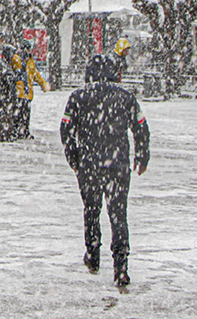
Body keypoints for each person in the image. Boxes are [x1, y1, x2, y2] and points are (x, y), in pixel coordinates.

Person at [61, 53, 150, 287]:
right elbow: (141, 128)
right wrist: (141, 155)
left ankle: (92, 253)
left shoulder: (78, 97)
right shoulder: (126, 97)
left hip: (89, 163)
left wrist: (74, 157)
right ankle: (121, 264)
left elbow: (66, 128)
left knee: (91, 209)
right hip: (117, 163)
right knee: (118, 213)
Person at [4, 37, 49, 140]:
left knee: (26, 114)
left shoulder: (30, 60)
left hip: (27, 92)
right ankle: (16, 131)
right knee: (17, 113)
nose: (28, 51)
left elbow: (35, 74)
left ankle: (24, 130)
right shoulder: (16, 58)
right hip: (19, 91)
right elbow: (14, 71)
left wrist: (43, 84)